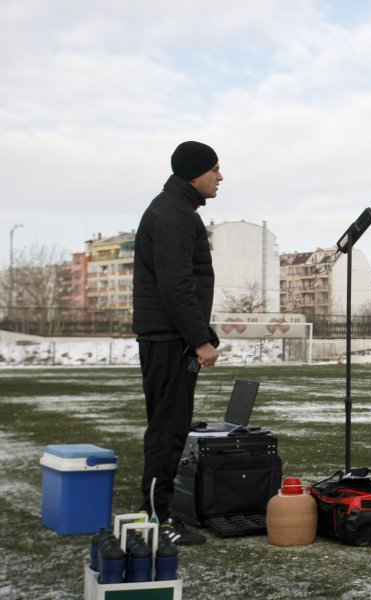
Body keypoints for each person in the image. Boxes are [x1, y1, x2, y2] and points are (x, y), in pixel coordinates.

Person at [132, 141, 222, 546]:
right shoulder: (172, 214)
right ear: (195, 174)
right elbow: (176, 287)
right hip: (169, 340)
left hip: (172, 338)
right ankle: (157, 517)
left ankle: (158, 509)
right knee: (168, 430)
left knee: (171, 426)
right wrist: (200, 341)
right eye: (215, 170)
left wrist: (202, 335)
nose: (221, 177)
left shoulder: (178, 210)